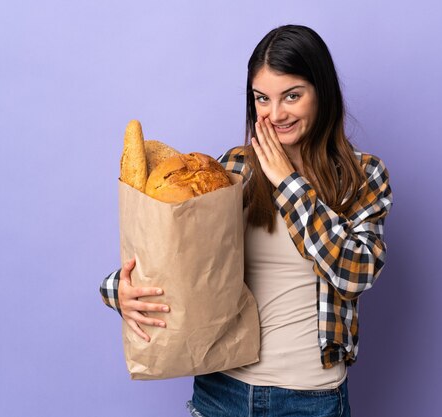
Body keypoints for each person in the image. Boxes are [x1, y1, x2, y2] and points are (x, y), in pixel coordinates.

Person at [100, 24, 393, 417]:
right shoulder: (234, 168)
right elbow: (176, 257)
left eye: (292, 96)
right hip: (222, 391)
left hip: (311, 399)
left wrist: (288, 184)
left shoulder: (362, 176)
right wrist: (119, 289)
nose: (275, 115)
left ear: (321, 93)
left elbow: (356, 271)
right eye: (262, 99)